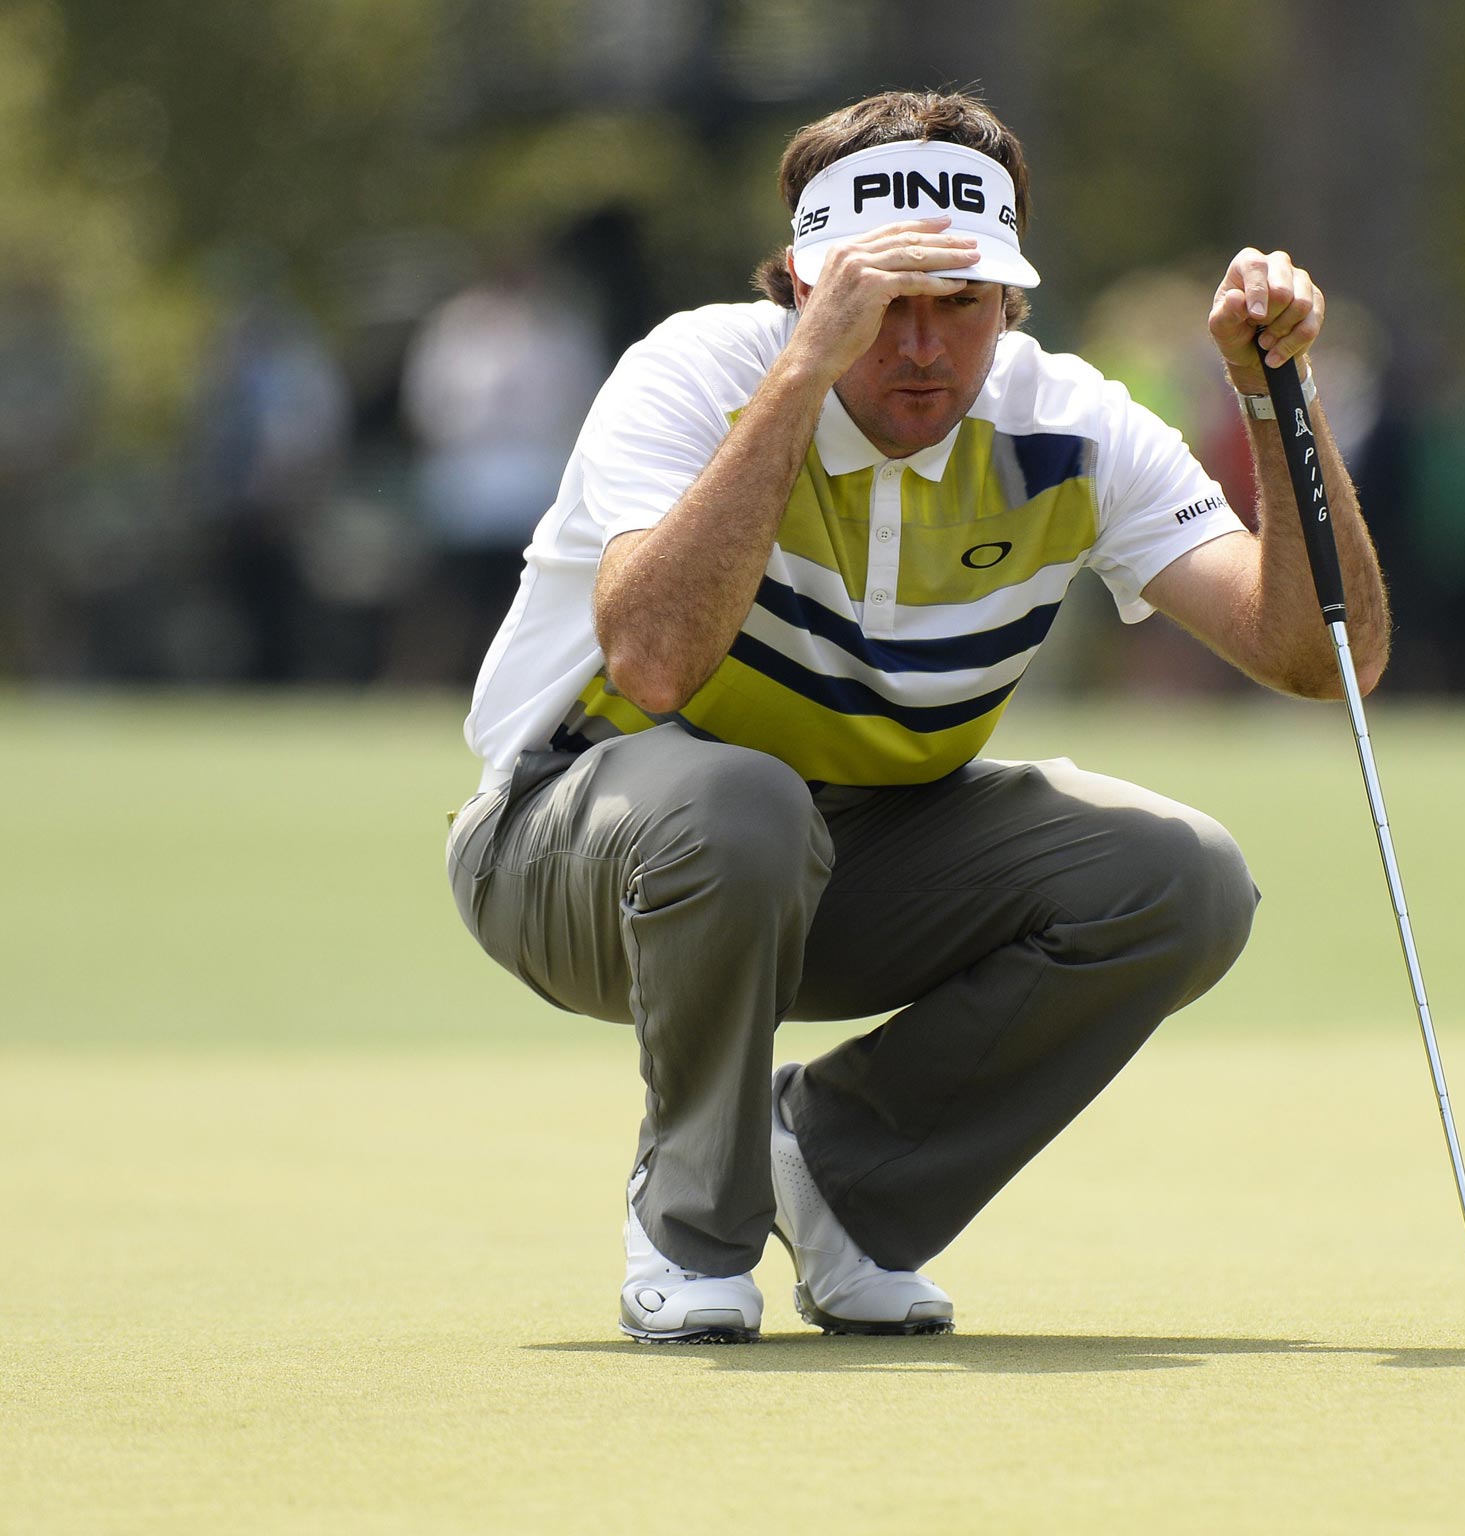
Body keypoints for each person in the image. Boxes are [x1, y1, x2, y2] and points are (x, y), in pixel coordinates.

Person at [445, 90, 1389, 1344]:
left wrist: (1274, 398)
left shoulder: (1072, 425)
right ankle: (692, 1231)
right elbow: (658, 664)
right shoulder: (693, 373)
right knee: (739, 805)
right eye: (880, 300)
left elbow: (1320, 660)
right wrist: (800, 376)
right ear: (797, 287)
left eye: (962, 303)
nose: (921, 347)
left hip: (849, 860)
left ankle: (839, 1175)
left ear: (1013, 306)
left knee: (1179, 878)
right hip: (570, 850)